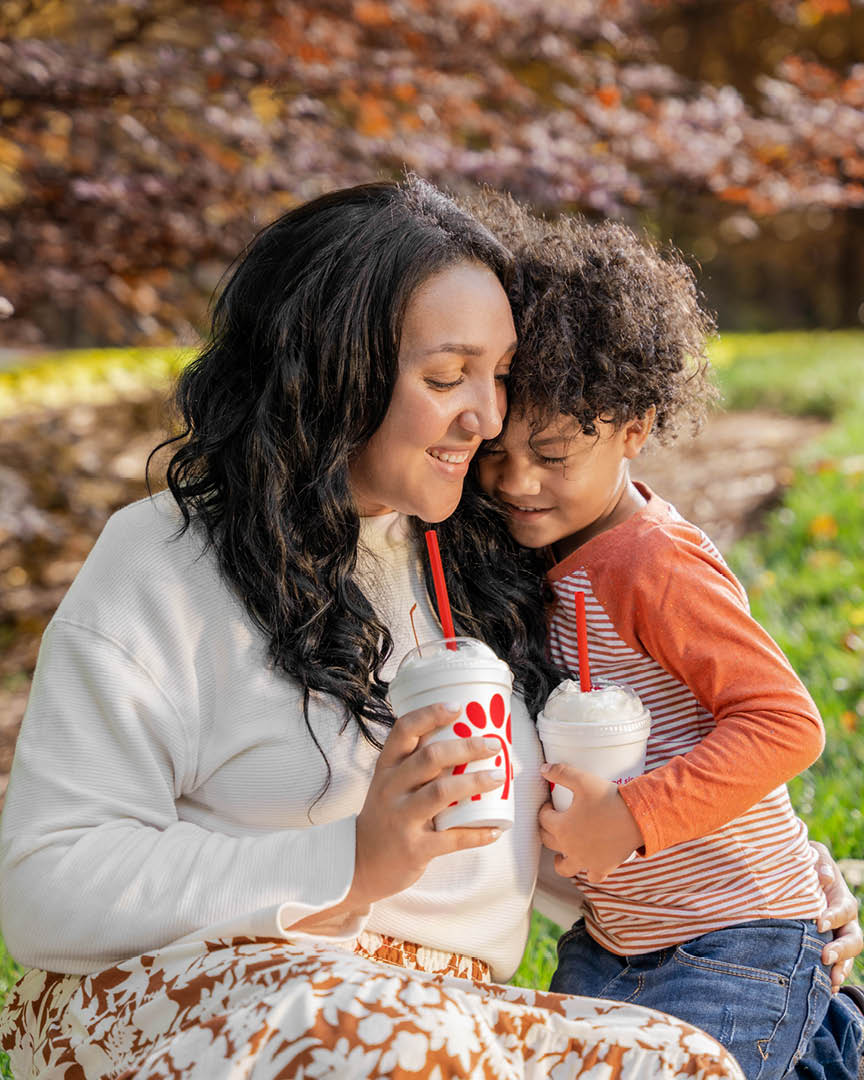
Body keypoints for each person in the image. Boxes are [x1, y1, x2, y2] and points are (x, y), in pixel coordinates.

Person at [0, 177, 752, 1079]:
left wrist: (751, 893)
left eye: (501, 376)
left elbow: (541, 839)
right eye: (446, 377)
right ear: (331, 372)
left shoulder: (474, 562)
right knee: (409, 1047)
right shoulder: (162, 559)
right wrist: (349, 863)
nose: (488, 418)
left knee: (680, 1059)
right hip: (219, 994)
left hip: (443, 1011)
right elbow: (48, 881)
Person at [474, 206, 864, 1079]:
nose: (518, 483)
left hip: (736, 936)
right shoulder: (547, 553)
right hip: (615, 941)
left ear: (635, 426)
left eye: (553, 453)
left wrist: (633, 819)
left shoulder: (650, 560)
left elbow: (786, 723)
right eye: (497, 456)